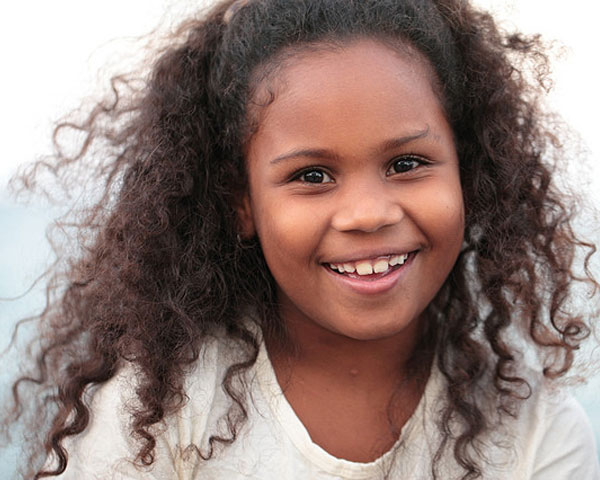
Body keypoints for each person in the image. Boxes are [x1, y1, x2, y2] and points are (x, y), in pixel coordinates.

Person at [3, 0, 599, 478]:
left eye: (408, 163)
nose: (366, 213)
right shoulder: (158, 412)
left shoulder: (532, 429)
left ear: (469, 173)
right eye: (311, 176)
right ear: (242, 202)